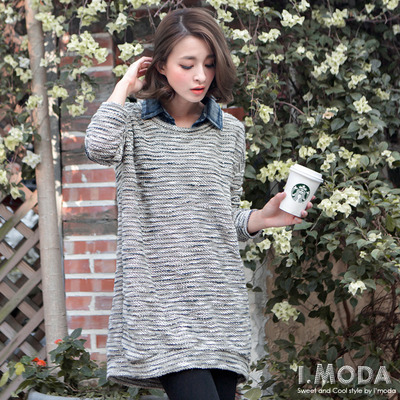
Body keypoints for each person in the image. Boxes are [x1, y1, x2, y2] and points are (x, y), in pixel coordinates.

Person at [85, 7, 311, 400]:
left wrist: (260, 218)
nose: (201, 76)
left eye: (208, 64)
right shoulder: (131, 124)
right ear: (160, 66)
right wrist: (125, 85)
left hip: (219, 304)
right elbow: (99, 147)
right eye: (187, 65)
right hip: (160, 307)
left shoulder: (230, 132)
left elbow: (221, 217)